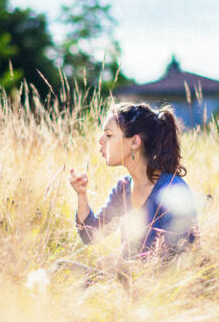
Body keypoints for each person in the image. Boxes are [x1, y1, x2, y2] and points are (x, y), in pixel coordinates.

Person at [69, 102, 198, 262]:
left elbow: (182, 257)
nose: (100, 140)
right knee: (61, 266)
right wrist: (81, 195)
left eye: (109, 135)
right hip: (122, 276)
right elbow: (90, 235)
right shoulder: (123, 188)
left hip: (151, 278)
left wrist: (122, 266)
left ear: (134, 142)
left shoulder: (172, 190)